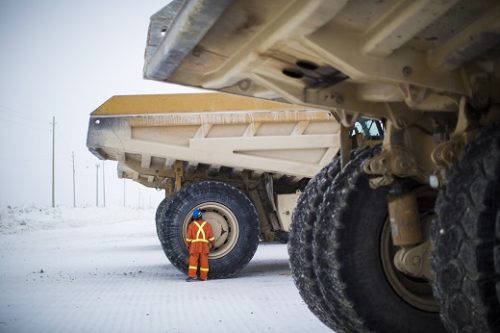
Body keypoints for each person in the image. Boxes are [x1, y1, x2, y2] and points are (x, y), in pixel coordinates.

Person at [185, 208, 215, 281]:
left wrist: (188, 245)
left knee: (193, 261)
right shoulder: (207, 225)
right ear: (201, 216)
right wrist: (213, 245)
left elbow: (188, 238)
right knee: (204, 262)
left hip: (194, 246)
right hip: (204, 246)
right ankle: (203, 277)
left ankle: (192, 276)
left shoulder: (191, 225)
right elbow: (211, 237)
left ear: (194, 217)